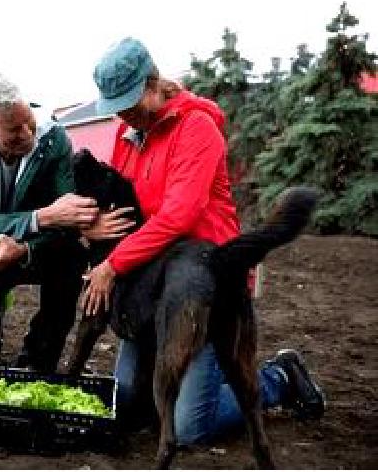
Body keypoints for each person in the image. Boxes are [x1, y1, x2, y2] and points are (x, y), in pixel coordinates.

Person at [81, 37, 325, 443]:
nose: (122, 113)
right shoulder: (127, 133)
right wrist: (92, 224)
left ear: (152, 84)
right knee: (127, 405)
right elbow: (120, 197)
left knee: (190, 427)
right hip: (154, 281)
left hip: (207, 281)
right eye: (115, 105)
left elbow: (180, 215)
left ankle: (278, 378)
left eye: (127, 101)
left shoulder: (197, 127)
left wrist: (112, 265)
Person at [0, 72, 96, 372]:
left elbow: (66, 221)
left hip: (40, 248)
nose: (27, 133)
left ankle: (38, 360)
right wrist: (39, 217)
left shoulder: (54, 140)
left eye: (29, 121)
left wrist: (25, 248)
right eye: (14, 129)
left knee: (71, 257)